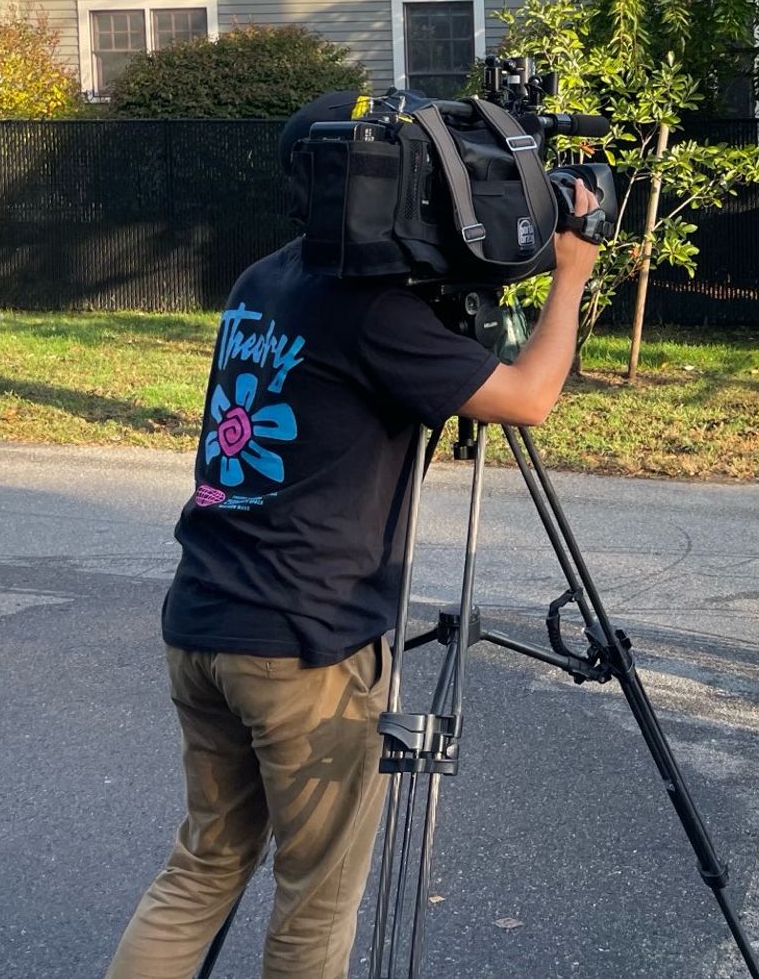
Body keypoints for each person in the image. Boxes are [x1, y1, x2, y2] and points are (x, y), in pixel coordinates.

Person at [104, 92, 601, 979]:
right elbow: (530, 397)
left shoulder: (265, 277)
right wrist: (570, 272)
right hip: (305, 642)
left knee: (205, 864)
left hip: (206, 620)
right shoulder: (377, 313)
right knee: (316, 898)